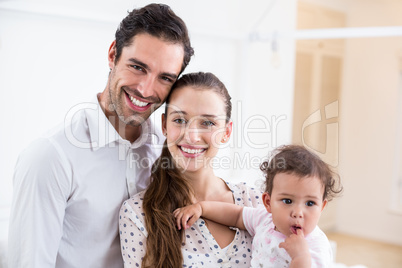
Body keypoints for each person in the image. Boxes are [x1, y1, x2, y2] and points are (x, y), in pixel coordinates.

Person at [8, 3, 194, 268]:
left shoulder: (167, 150)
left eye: (165, 78)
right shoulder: (51, 156)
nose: (146, 89)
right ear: (112, 54)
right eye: (138, 67)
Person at [119, 72, 262, 267]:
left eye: (208, 123)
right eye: (179, 120)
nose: (192, 136)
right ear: (164, 125)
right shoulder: (138, 214)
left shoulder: (255, 201)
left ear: (226, 132)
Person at [174, 144, 343, 268]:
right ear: (268, 203)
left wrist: (301, 258)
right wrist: (202, 208)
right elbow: (237, 215)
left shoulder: (315, 246)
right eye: (287, 201)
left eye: (310, 203)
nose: (298, 213)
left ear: (322, 207)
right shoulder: (265, 220)